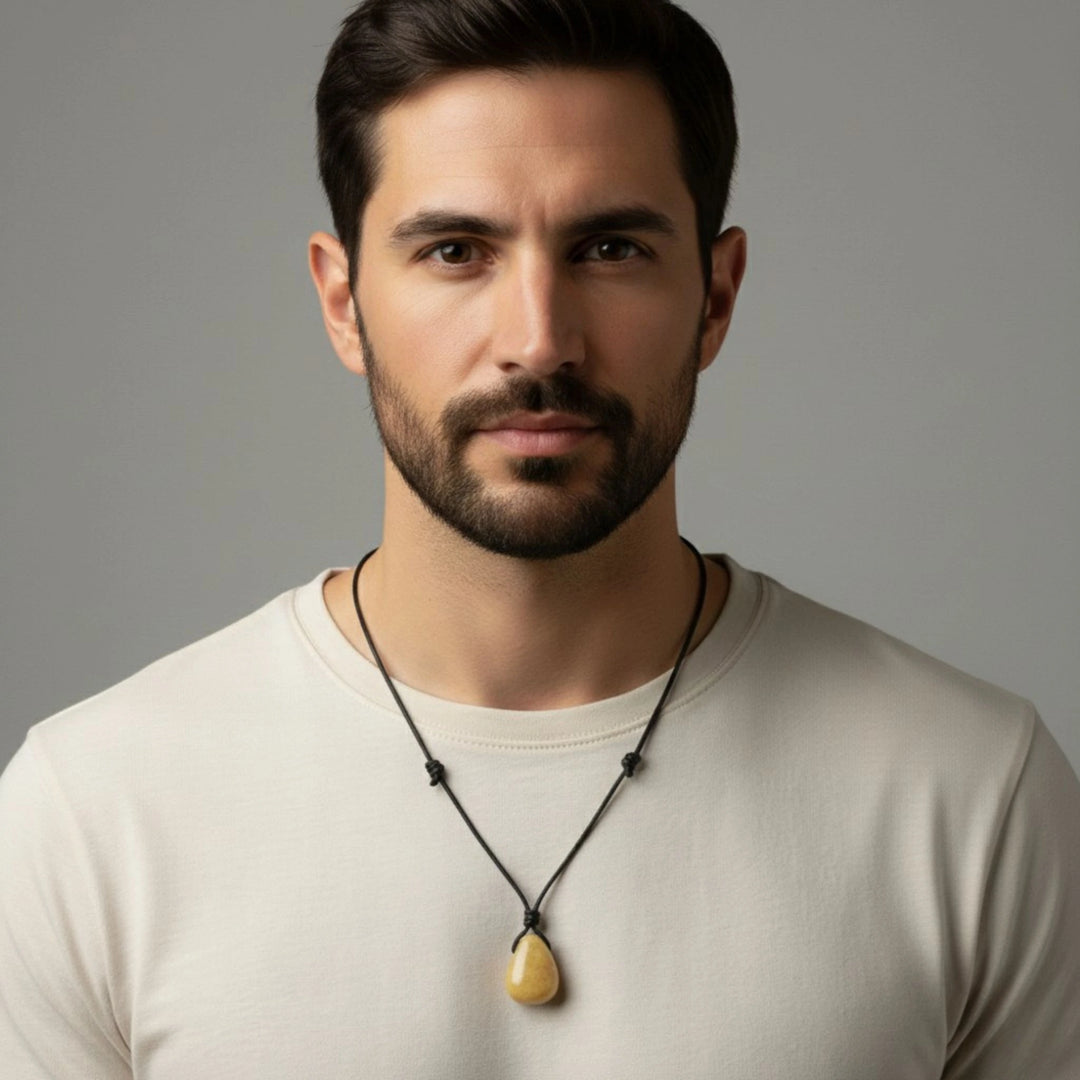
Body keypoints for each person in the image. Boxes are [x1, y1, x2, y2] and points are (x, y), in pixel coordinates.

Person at [2, 0, 1078, 1075]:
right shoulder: (96, 811)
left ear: (715, 295)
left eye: (610, 247)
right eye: (457, 250)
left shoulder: (972, 792)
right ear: (343, 302)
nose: (538, 340)